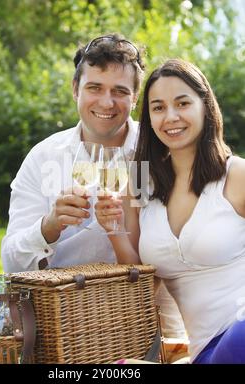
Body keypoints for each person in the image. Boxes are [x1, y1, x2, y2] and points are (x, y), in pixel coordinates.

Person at [0, 35, 185, 363]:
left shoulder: (154, 155)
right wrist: (49, 226)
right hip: (34, 288)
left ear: (135, 97)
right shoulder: (45, 157)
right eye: (95, 88)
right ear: (75, 89)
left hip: (90, 305)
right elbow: (13, 261)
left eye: (120, 91)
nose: (106, 102)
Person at [95, 58, 245, 364]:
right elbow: (141, 282)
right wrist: (114, 230)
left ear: (205, 107)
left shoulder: (236, 175)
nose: (171, 117)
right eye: (158, 107)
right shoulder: (139, 183)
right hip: (207, 350)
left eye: (182, 103)